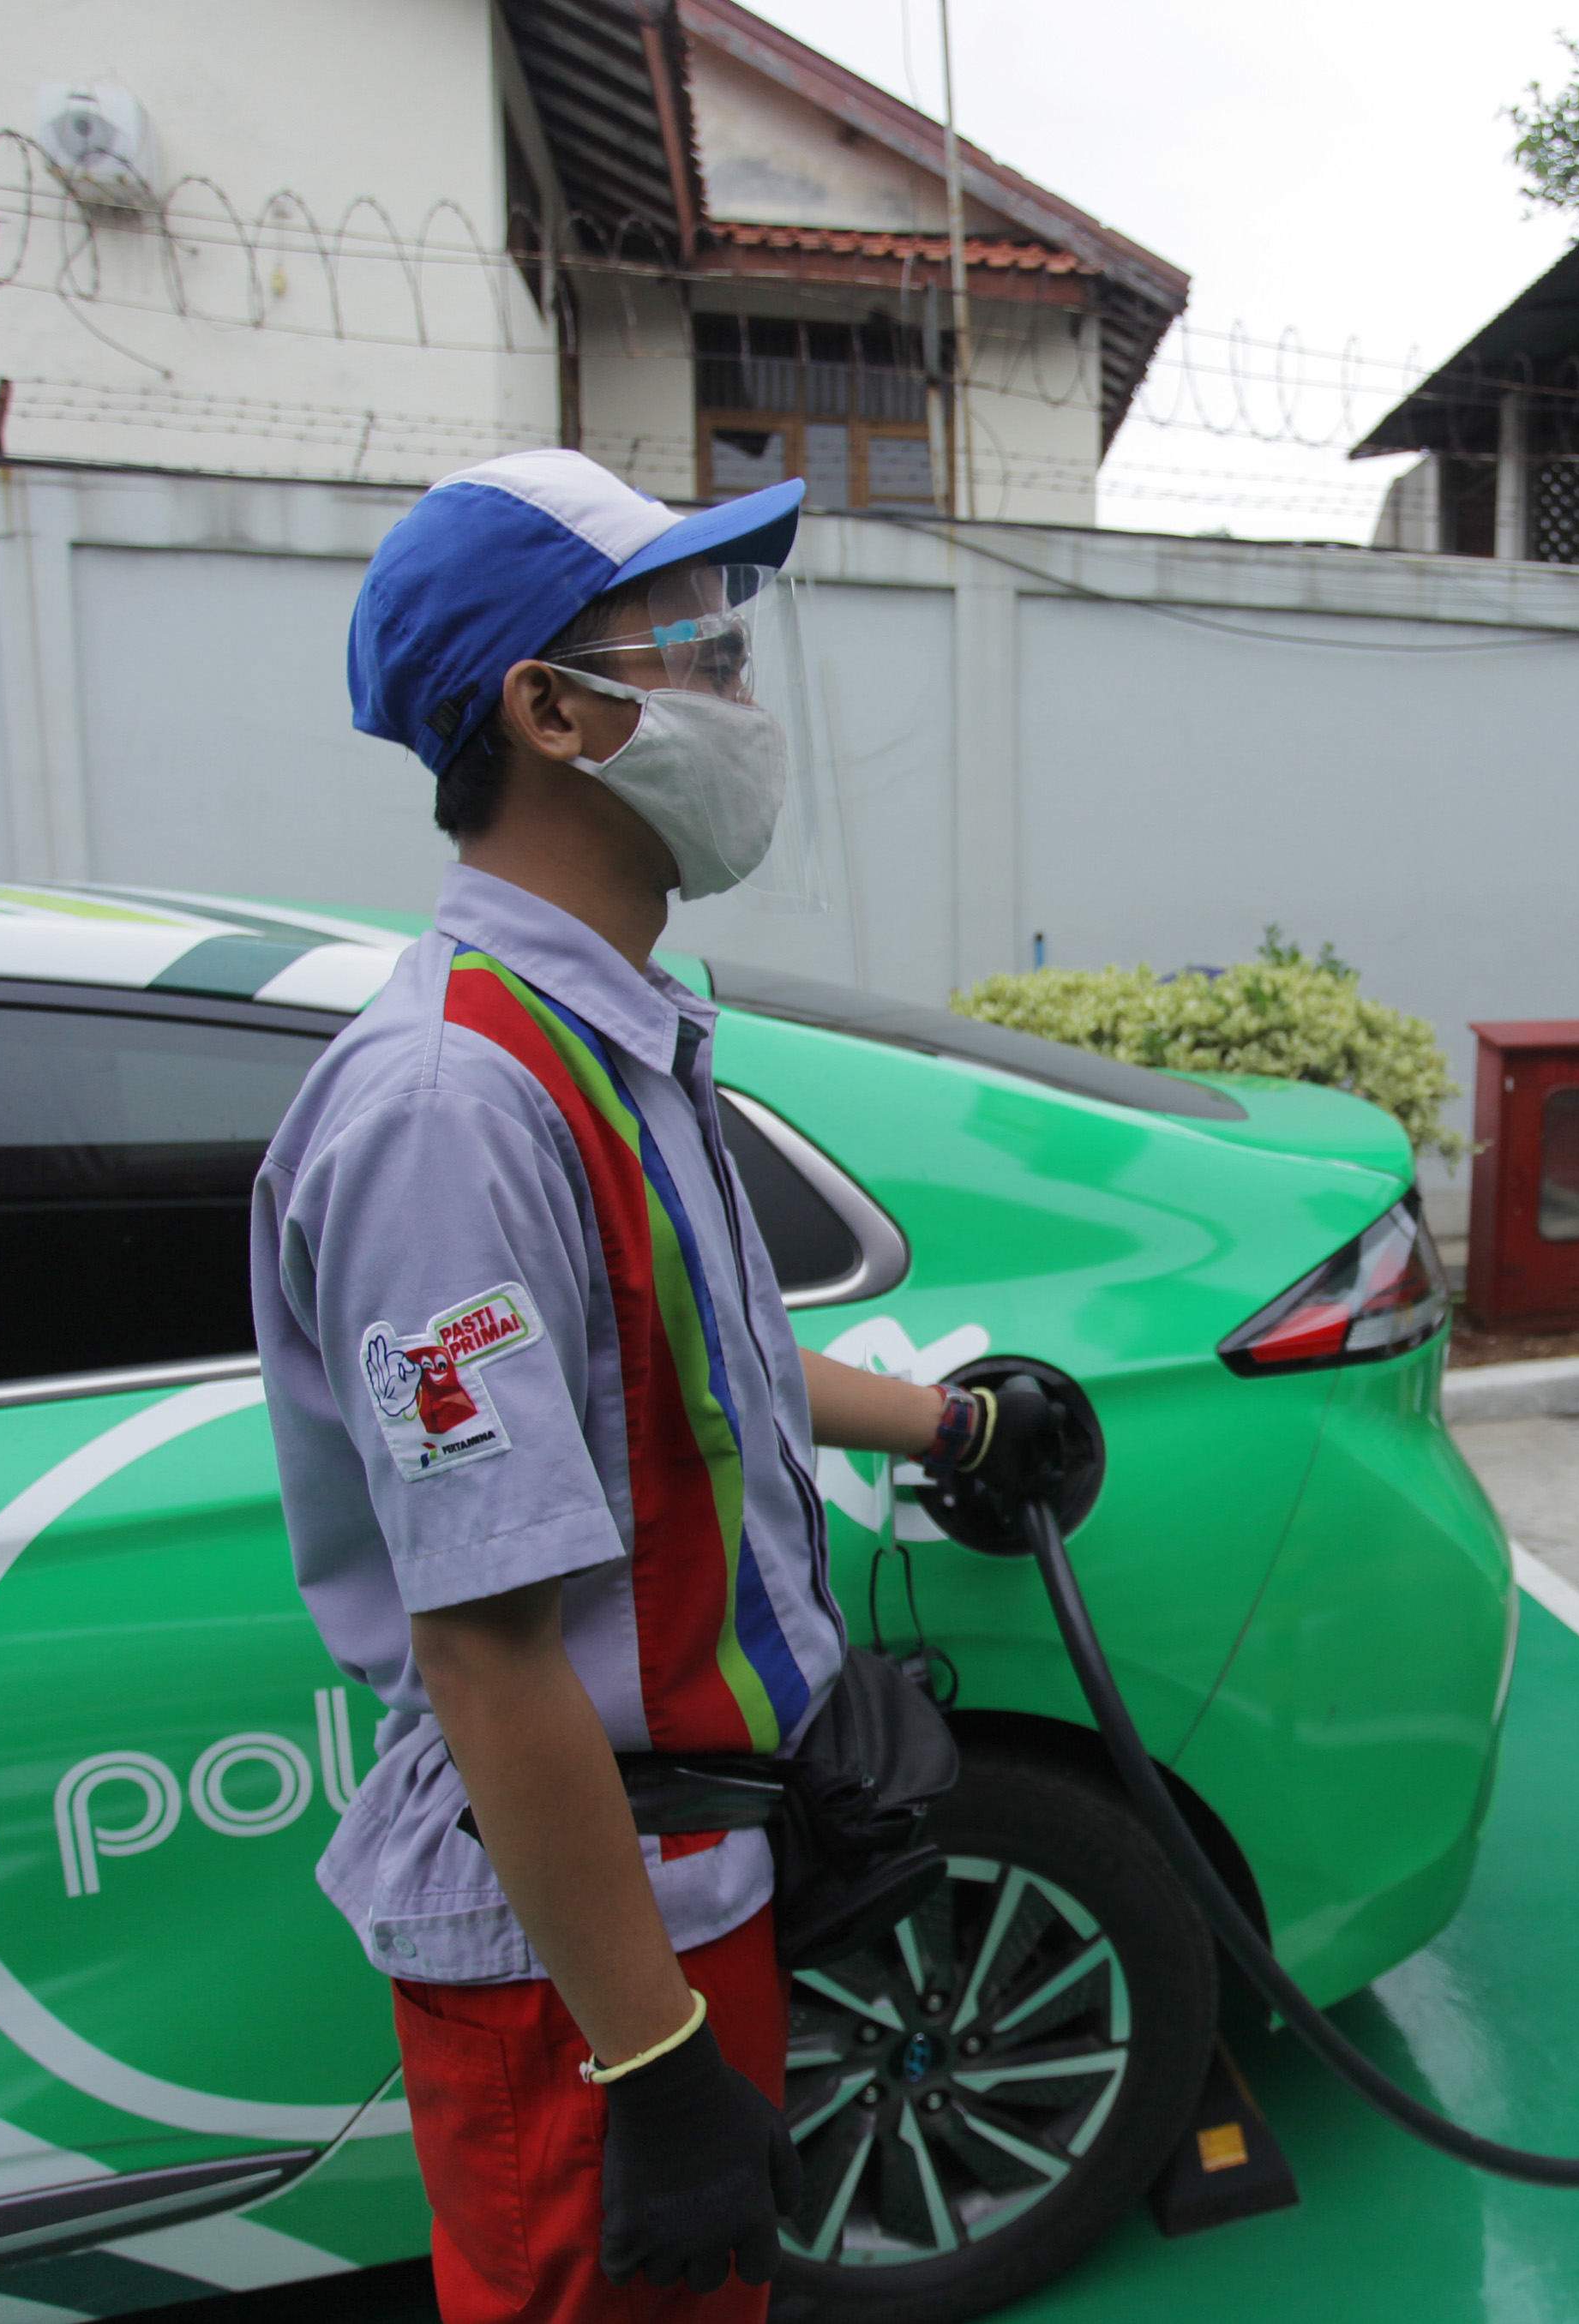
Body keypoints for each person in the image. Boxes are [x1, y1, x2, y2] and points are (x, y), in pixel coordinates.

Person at [252, 450, 1044, 2321]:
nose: (743, 707)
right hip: (586, 1958)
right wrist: (649, 2062)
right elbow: (489, 1647)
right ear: (553, 711)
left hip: (680, 1894)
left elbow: (704, 1364)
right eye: (705, 656)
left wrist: (950, 1425)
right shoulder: (454, 1106)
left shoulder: (608, 1039)